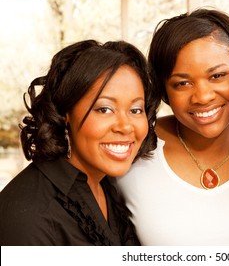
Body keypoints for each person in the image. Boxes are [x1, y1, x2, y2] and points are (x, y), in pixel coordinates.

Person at [116, 8, 229, 246]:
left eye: (217, 76)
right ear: (165, 92)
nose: (202, 97)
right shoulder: (133, 150)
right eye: (182, 83)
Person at [0, 40, 159, 245]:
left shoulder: (108, 184)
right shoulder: (30, 217)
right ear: (66, 113)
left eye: (136, 110)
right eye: (104, 109)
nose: (126, 126)